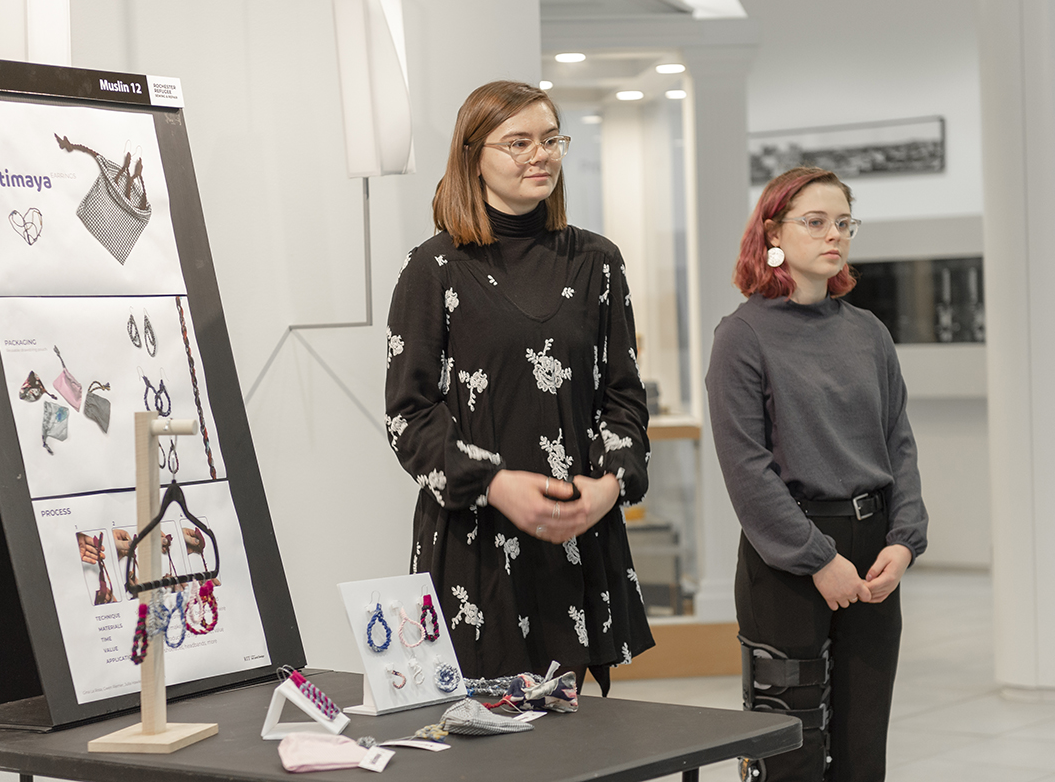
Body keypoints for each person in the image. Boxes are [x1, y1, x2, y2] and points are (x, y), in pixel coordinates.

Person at [384, 80, 654, 692]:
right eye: (519, 142)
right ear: (473, 154)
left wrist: (612, 485)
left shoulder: (598, 262)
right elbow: (408, 417)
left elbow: (624, 397)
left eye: (551, 139)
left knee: (571, 749)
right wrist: (496, 484)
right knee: (478, 749)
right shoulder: (432, 269)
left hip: (575, 537)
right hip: (475, 544)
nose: (541, 155)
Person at [706, 167, 928, 782]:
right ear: (772, 231)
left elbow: (898, 446)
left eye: (843, 223)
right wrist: (817, 559)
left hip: (874, 546)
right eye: (816, 222)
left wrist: (904, 542)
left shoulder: (869, 333)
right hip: (789, 557)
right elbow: (747, 469)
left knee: (863, 749)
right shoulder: (742, 336)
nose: (834, 235)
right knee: (790, 750)